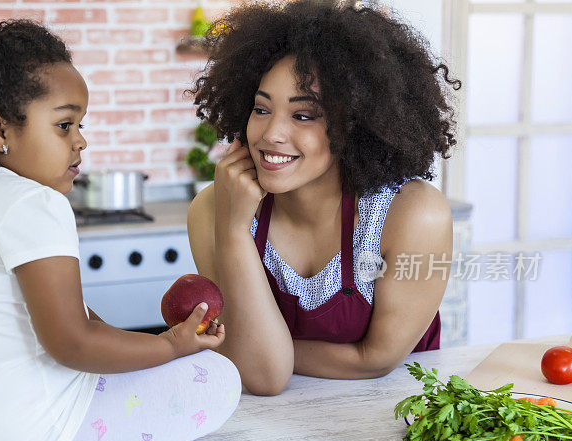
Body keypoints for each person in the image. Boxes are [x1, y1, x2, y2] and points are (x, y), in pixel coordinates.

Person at [0, 13, 241, 441]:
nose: (81, 141)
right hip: (23, 439)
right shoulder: (34, 203)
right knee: (219, 378)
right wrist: (171, 348)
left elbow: (67, 321)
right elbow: (72, 343)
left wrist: (149, 345)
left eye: (80, 125)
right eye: (64, 126)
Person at [187, 1, 459, 395]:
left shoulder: (413, 214)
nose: (270, 134)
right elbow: (260, 378)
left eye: (303, 115)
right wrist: (232, 229)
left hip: (391, 421)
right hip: (261, 430)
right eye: (261, 109)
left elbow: (376, 360)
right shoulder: (214, 209)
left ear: (355, 123)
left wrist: (254, 350)